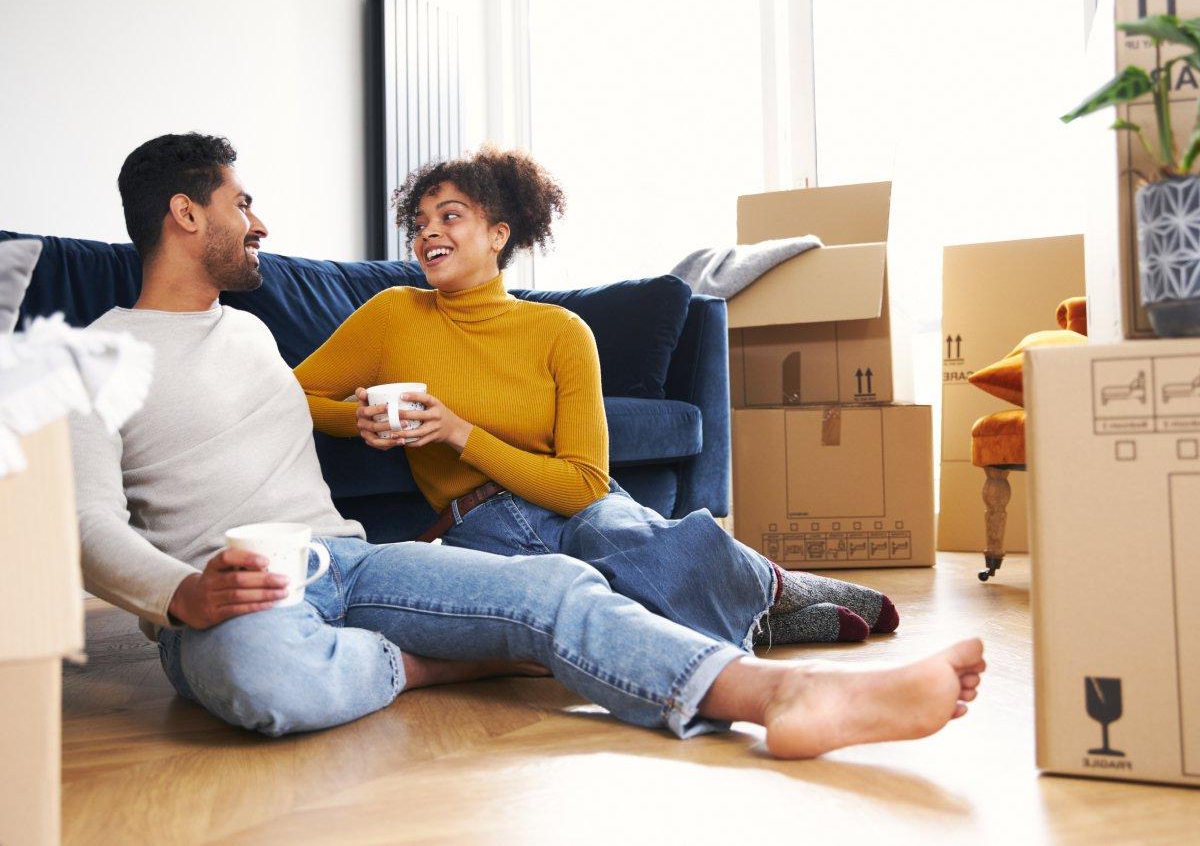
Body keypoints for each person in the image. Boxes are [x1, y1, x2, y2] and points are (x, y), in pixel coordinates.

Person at [70, 131, 985, 756]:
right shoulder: (91, 357)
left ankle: (783, 696)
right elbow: (82, 524)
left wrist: (395, 424)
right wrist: (182, 593)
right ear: (187, 216)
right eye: (243, 203)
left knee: (565, 579)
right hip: (235, 597)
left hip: (352, 561)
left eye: (453, 216)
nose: (260, 223)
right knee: (265, 679)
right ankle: (452, 658)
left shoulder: (254, 336)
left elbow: (576, 478)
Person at [295, 146, 898, 651]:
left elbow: (585, 485)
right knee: (593, 583)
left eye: (450, 216)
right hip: (476, 521)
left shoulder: (561, 331)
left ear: (498, 234)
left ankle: (772, 593)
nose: (429, 231)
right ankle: (765, 613)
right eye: (420, 221)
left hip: (578, 503)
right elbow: (289, 394)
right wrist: (358, 419)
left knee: (614, 536)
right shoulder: (394, 315)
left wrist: (459, 433)